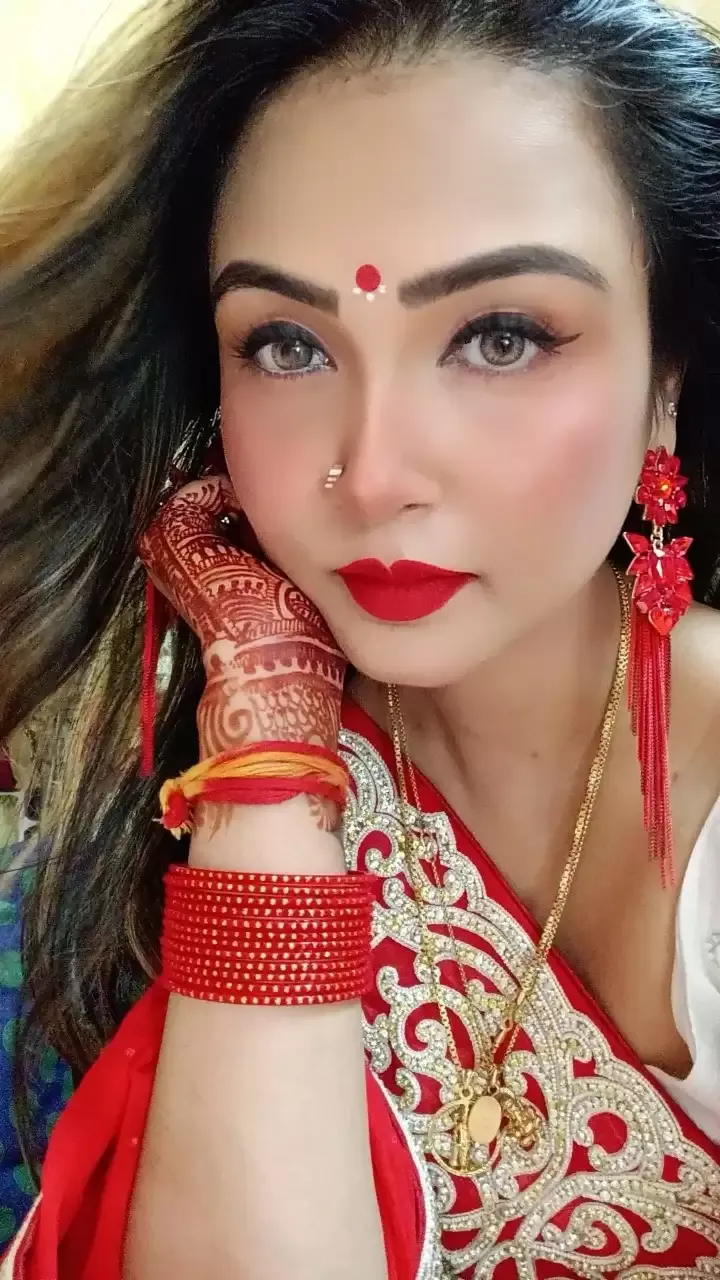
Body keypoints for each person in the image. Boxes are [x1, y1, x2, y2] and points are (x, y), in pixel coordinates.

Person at [1, 0, 720, 1274]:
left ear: (669, 378)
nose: (375, 473)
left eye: (499, 336)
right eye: (288, 344)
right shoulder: (221, 727)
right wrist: (270, 741)